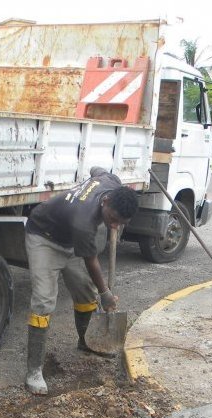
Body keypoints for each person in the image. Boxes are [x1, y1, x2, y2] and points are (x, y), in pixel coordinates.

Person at [24, 166, 139, 395]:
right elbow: (91, 261)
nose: (114, 226)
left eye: (120, 223)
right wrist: (106, 294)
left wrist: (99, 293)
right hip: (43, 237)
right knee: (44, 301)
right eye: (112, 219)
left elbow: (98, 170)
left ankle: (85, 341)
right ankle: (34, 370)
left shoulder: (110, 183)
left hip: (69, 241)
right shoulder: (84, 221)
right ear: (105, 201)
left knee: (86, 293)